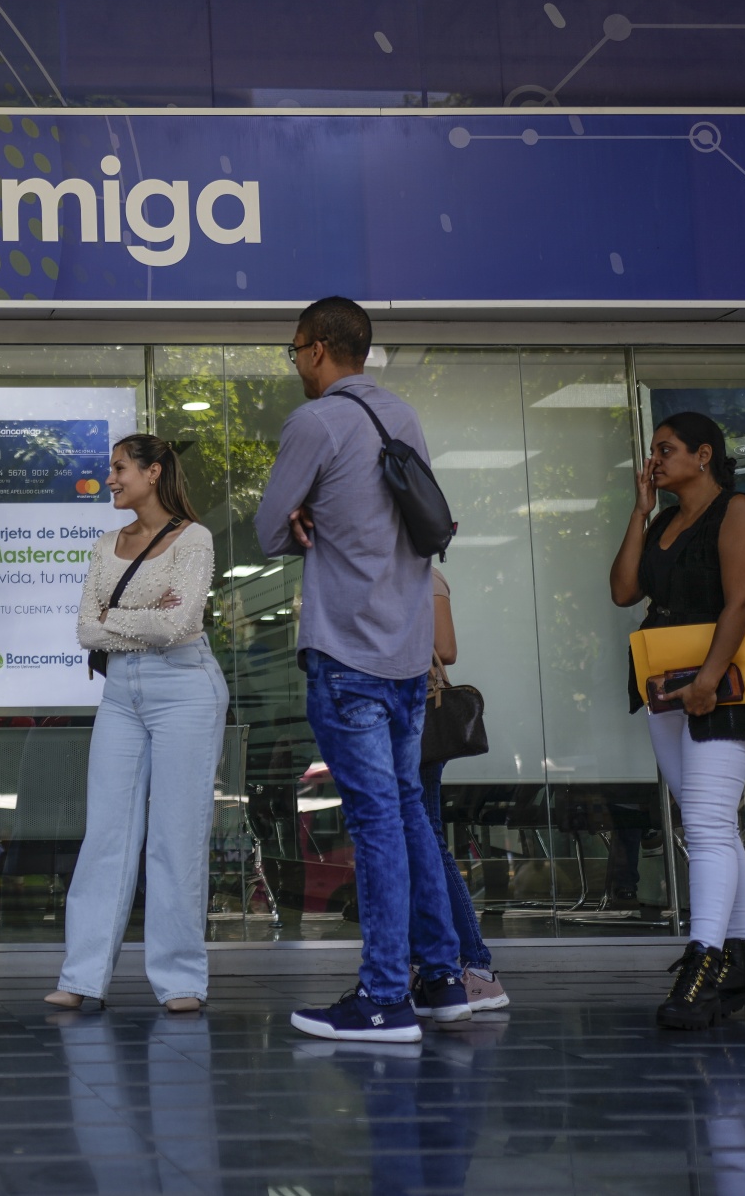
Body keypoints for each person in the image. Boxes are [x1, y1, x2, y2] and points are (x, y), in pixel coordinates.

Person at [254, 296, 467, 1043]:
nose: (295, 362)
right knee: (407, 814)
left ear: (316, 348)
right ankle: (442, 978)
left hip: (347, 654)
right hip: (406, 654)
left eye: (294, 349)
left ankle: (382, 997)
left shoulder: (314, 423)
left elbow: (268, 526)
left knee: (376, 822)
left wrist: (301, 517)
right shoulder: (401, 415)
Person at [47, 434, 227, 1015]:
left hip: (186, 689)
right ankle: (82, 977)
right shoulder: (107, 545)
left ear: (153, 473)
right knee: (105, 834)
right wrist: (141, 616)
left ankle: (180, 981)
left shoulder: (193, 539)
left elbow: (178, 625)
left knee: (177, 836)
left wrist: (115, 616)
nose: (111, 478)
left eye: (120, 467)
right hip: (122, 693)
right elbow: (86, 630)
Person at [609, 411, 745, 1030]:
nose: (655, 459)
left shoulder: (737, 511)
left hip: (721, 688)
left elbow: (743, 600)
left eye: (666, 449)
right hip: (668, 689)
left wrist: (709, 678)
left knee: (705, 827)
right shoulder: (663, 522)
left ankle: (703, 963)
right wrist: (640, 511)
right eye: (654, 451)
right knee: (713, 826)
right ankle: (744, 963)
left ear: (704, 455)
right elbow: (624, 591)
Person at [421, 568, 508, 1013]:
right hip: (395, 718)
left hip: (418, 716)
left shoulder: (424, 574)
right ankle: (442, 967)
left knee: (427, 840)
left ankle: (476, 967)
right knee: (416, 842)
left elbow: (446, 649)